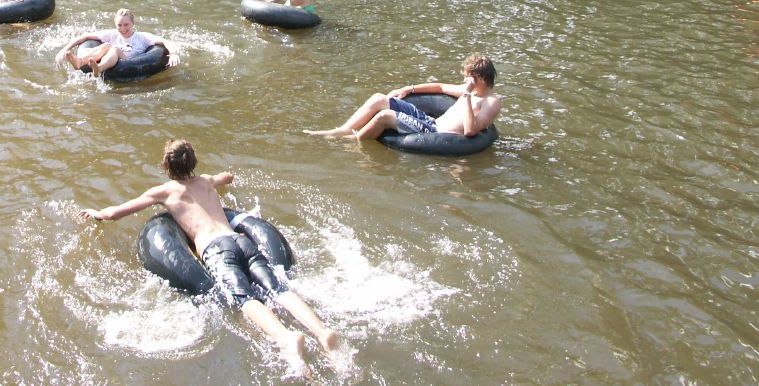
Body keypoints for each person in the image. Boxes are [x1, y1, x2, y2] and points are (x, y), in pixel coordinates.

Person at [78, 139, 338, 366]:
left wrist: (96, 213)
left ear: (166, 167)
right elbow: (226, 178)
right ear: (193, 162)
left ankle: (287, 337)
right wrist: (224, 177)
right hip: (239, 240)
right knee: (278, 288)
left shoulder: (164, 192)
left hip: (217, 251)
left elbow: (115, 212)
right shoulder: (205, 181)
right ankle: (322, 331)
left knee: (244, 298)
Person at [305, 54, 501, 141]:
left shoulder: (491, 102)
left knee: (385, 116)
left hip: (436, 132)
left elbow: (469, 131)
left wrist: (466, 93)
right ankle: (341, 130)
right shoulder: (472, 91)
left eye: (467, 76)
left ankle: (356, 142)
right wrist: (409, 88)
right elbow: (440, 86)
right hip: (430, 122)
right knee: (379, 99)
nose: (463, 79)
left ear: (480, 79)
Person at [55, 8, 175, 77]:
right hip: (110, 59)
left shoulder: (142, 37)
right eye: (119, 25)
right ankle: (80, 61)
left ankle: (99, 69)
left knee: (114, 49)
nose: (123, 29)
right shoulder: (112, 34)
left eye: (126, 24)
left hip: (127, 64)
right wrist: (64, 49)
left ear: (133, 23)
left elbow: (164, 41)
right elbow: (85, 36)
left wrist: (174, 53)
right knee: (107, 45)